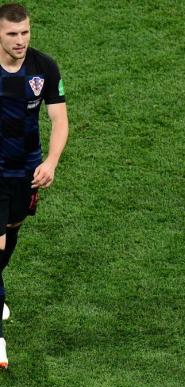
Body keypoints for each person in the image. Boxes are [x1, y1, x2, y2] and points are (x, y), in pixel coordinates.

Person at [0, 3, 68, 368]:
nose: (20, 40)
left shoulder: (43, 67)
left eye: (24, 32)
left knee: (10, 237)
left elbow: (59, 119)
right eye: (12, 34)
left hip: (25, 171)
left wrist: (51, 163)